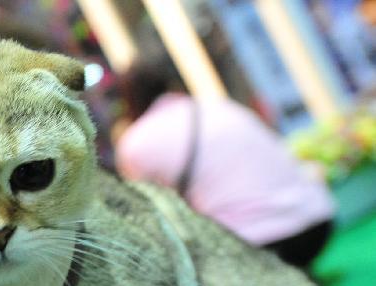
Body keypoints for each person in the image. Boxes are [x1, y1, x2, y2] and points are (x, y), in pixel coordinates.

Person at [114, 59, 336, 270]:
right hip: (317, 223)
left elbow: (151, 214)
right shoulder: (218, 106)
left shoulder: (135, 143)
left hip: (254, 246)